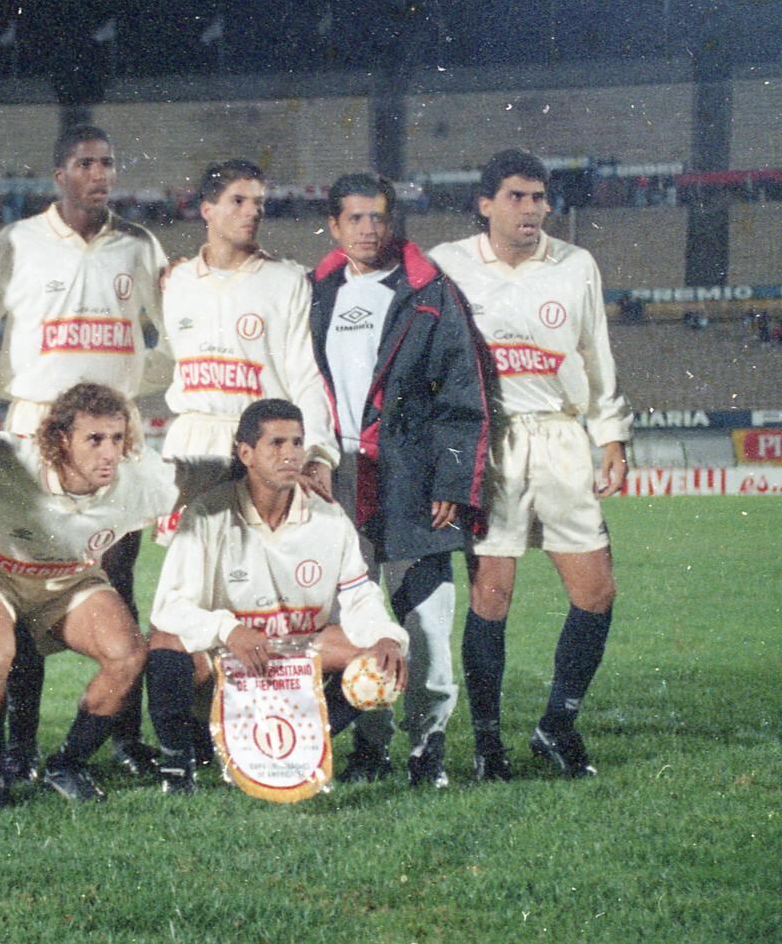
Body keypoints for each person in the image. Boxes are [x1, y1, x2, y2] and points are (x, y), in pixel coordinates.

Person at [0, 124, 170, 780]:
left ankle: (122, 734)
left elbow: (165, 336)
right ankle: (19, 746)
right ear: (59, 172)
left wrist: (129, 398)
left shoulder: (138, 245)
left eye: (109, 163)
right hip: (37, 428)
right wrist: (16, 393)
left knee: (118, 579)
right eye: (86, 163)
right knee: (25, 584)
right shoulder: (19, 242)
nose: (100, 174)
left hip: (113, 436)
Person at [430, 149, 631, 779]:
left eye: (540, 198)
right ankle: (488, 744)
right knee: (492, 593)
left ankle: (556, 725)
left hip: (562, 440)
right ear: (485, 204)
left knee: (595, 593)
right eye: (518, 197)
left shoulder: (575, 265)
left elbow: (596, 355)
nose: (533, 209)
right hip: (492, 442)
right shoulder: (448, 265)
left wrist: (613, 438)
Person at [0, 382, 227, 803]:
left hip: (72, 584)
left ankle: (68, 763)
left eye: (117, 438)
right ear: (61, 439)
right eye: (95, 439)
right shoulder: (5, 458)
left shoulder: (139, 478)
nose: (109, 452)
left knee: (128, 655)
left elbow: (205, 474)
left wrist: (281, 467)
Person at [308, 172, 491, 788]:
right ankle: (369, 746)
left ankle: (428, 747)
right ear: (334, 226)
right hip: (338, 480)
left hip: (412, 480)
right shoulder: (315, 292)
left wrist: (451, 480)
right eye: (355, 218)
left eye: (378, 217)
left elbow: (462, 394)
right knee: (355, 623)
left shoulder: (428, 291)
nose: (367, 229)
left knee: (426, 621)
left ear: (393, 223)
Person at [145, 399, 409, 794]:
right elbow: (169, 608)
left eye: (298, 443)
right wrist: (227, 629)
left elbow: (359, 596)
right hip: (229, 657)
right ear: (245, 453)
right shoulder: (207, 514)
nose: (290, 454)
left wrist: (386, 635)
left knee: (380, 661)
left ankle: (300, 745)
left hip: (295, 655)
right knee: (166, 643)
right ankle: (179, 765)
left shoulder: (330, 518)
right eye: (277, 444)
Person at [161, 161, 337, 491]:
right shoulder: (177, 281)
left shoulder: (287, 281)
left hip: (263, 444)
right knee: (191, 543)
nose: (252, 212)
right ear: (207, 210)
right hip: (193, 444)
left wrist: (318, 452)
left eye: (259, 203)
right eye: (239, 201)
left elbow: (307, 377)